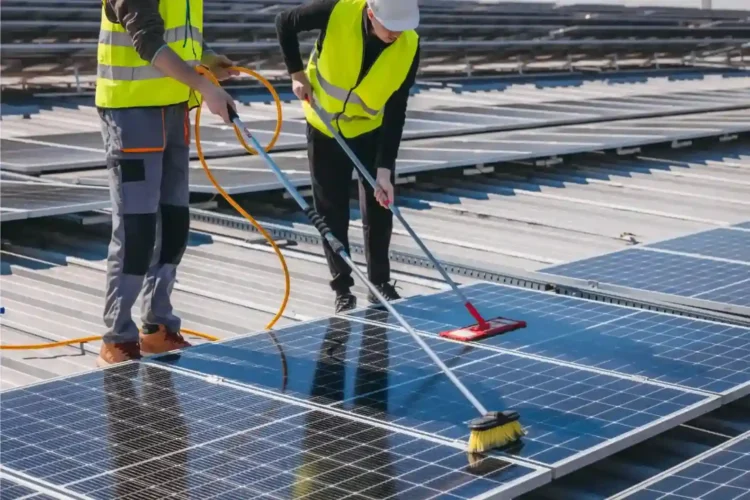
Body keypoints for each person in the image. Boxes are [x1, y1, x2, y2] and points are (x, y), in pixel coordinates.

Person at [95, 0, 237, 366]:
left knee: (174, 223)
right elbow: (147, 43)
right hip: (132, 114)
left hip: (174, 108)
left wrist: (206, 58)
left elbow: (182, 39)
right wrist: (204, 86)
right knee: (136, 230)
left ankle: (157, 327)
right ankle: (119, 337)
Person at [275, 0, 420, 313]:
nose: (397, 33)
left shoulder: (409, 44)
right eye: (390, 26)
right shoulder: (337, 10)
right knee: (331, 210)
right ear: (371, 13)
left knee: (380, 206)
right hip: (325, 127)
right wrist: (296, 73)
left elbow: (397, 110)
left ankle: (380, 283)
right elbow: (284, 22)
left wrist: (385, 169)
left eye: (402, 27)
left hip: (370, 130)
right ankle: (342, 288)